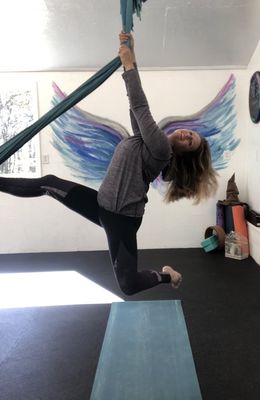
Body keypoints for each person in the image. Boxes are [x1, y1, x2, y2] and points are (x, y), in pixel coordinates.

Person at [0, 33, 218, 296]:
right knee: (49, 183)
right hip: (101, 204)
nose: (186, 137)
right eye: (190, 134)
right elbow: (133, 106)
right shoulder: (144, 139)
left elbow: (140, 105)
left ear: (183, 153)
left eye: (189, 143)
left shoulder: (161, 148)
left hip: (123, 219)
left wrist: (128, 64)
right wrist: (132, 57)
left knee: (128, 285)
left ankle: (166, 275)